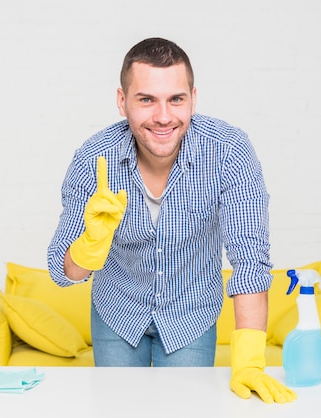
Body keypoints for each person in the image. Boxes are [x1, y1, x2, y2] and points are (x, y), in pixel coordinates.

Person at [47, 37, 296, 404]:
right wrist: (91, 242)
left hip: (191, 312)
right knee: (117, 410)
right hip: (118, 309)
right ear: (122, 101)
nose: (163, 116)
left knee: (185, 409)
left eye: (176, 99)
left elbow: (249, 261)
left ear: (193, 98)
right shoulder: (93, 159)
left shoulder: (229, 152)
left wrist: (250, 362)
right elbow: (61, 270)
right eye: (146, 99)